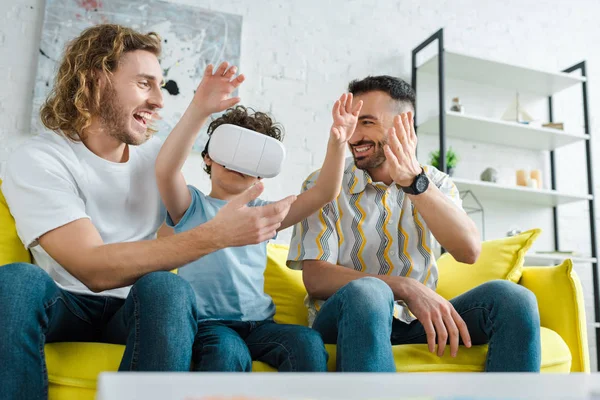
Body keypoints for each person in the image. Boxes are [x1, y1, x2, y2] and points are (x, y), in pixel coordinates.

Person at [0, 24, 295, 399]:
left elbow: (178, 225)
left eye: (159, 86)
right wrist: (216, 235)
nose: (158, 101)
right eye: (144, 84)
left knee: (168, 288)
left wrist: (202, 108)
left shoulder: (155, 159)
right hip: (65, 302)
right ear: (95, 80)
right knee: (16, 281)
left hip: (137, 309)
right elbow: (91, 269)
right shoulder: (40, 158)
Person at [287, 75, 541, 372]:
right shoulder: (323, 183)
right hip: (349, 317)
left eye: (367, 123)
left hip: (417, 321)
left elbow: (468, 251)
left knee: (514, 300)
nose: (354, 136)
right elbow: (315, 279)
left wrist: (415, 184)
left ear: (401, 124)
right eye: (352, 123)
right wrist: (406, 288)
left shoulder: (435, 182)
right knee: (369, 291)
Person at [154, 60, 363, 372]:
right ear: (209, 156)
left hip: (262, 325)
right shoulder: (189, 206)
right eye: (231, 151)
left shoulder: (265, 214)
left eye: (252, 159)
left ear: (260, 174)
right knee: (227, 352)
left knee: (307, 344)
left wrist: (338, 141)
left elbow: (324, 193)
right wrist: (199, 109)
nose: (239, 163)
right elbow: (166, 169)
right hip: (211, 325)